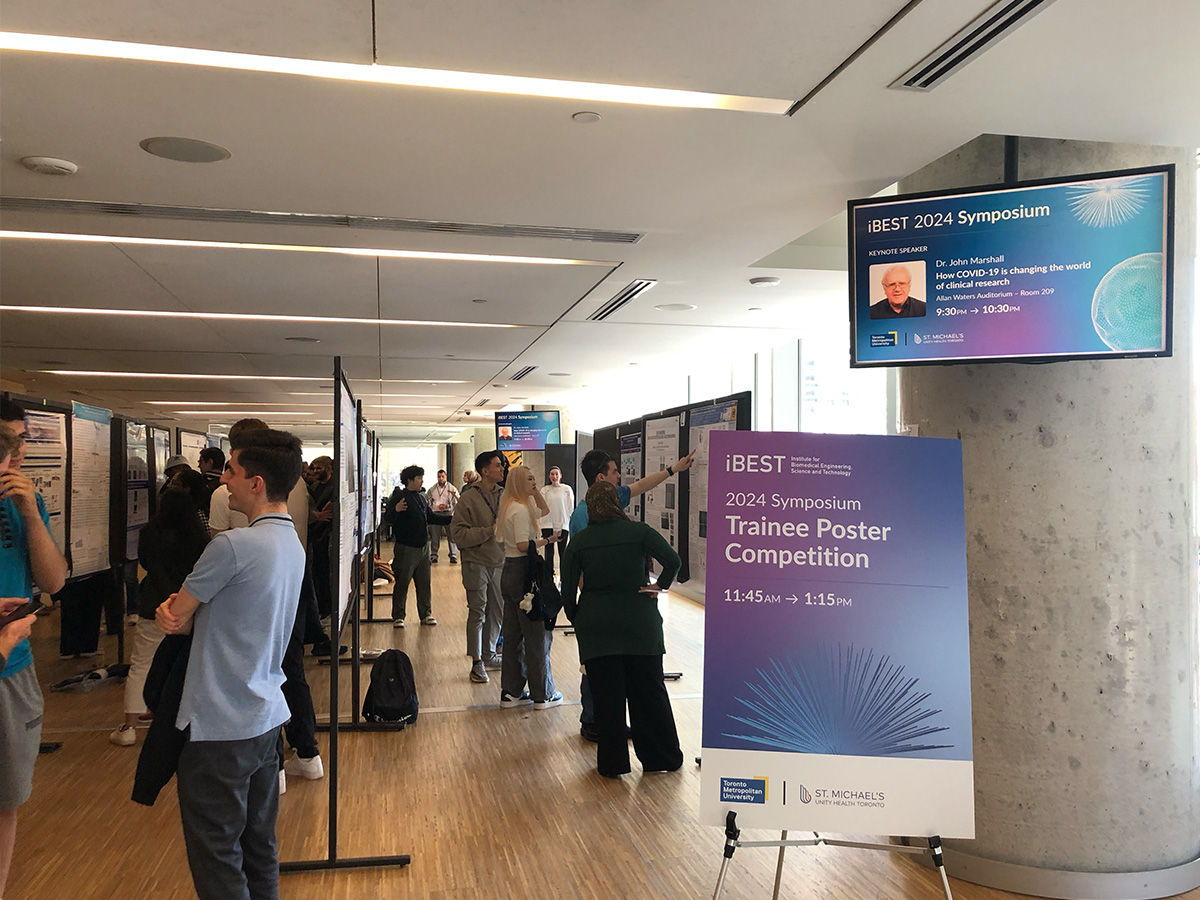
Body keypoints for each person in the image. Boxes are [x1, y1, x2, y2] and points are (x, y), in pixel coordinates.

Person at [156, 428, 306, 900]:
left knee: (217, 855)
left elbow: (176, 616)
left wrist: (170, 612)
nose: (224, 480)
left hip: (218, 726)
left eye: (232, 471)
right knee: (259, 846)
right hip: (265, 719)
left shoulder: (233, 547)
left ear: (256, 483)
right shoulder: (292, 545)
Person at [568, 446, 696, 741]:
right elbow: (580, 571)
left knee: (607, 666)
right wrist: (586, 610)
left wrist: (673, 470)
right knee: (595, 668)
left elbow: (640, 486)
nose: (620, 476)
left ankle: (605, 723)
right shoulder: (582, 517)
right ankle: (592, 719)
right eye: (614, 472)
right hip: (601, 605)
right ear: (601, 477)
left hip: (617, 605)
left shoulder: (611, 500)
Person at [561, 481, 683, 779]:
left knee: (607, 698)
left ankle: (613, 764)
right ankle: (661, 756)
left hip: (597, 625)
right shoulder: (639, 532)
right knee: (650, 692)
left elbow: (567, 590)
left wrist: (580, 619)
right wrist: (659, 587)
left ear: (590, 506)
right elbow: (674, 561)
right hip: (640, 623)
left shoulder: (580, 541)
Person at [0, 403, 68, 897]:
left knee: (6, 801)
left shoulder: (23, 503)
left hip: (14, 671)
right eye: (8, 442)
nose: (19, 453)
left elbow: (53, 580)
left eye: (22, 441)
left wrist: (29, 512)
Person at [111, 486, 210, 746]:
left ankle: (129, 726)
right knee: (189, 661)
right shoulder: (199, 537)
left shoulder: (149, 533)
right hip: (190, 604)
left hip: (154, 602)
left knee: (142, 663)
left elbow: (144, 563)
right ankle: (188, 721)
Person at [496, 465, 562, 710]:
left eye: (535, 477)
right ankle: (542, 694)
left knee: (513, 636)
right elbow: (524, 545)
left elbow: (544, 510)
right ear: (516, 483)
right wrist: (548, 540)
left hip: (510, 572)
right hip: (524, 572)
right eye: (529, 480)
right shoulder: (520, 511)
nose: (534, 482)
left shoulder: (511, 507)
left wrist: (536, 492)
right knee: (536, 635)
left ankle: (511, 692)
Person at [449, 450, 507, 683]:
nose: (502, 469)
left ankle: (490, 653)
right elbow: (458, 534)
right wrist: (488, 531)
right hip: (476, 562)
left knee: (497, 611)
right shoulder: (469, 498)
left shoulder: (505, 495)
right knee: (478, 611)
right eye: (497, 466)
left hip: (500, 561)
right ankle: (477, 662)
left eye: (502, 466)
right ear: (485, 470)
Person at [383, 465, 435, 628]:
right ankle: (398, 616)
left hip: (423, 547)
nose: (421, 481)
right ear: (410, 480)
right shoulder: (400, 496)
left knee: (424, 582)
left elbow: (430, 517)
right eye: (419, 478)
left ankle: (425, 614)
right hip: (406, 547)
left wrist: (453, 518)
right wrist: (396, 510)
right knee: (403, 582)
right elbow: (388, 518)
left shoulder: (420, 497)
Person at [538, 465, 574, 577]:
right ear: (549, 476)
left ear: (560, 476)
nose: (554, 476)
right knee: (549, 552)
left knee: (562, 552)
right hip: (547, 524)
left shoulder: (566, 489)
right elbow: (540, 506)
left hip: (563, 524)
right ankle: (549, 578)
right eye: (552, 474)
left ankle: (565, 578)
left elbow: (570, 507)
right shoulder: (545, 490)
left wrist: (568, 520)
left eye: (556, 474)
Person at [425, 469, 459, 563]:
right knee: (435, 536)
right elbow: (427, 501)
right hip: (435, 513)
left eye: (442, 477)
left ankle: (453, 554)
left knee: (451, 535)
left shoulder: (452, 488)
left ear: (446, 477)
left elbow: (457, 501)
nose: (441, 478)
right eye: (439, 477)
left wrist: (447, 505)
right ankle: (434, 555)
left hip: (448, 513)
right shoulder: (432, 489)